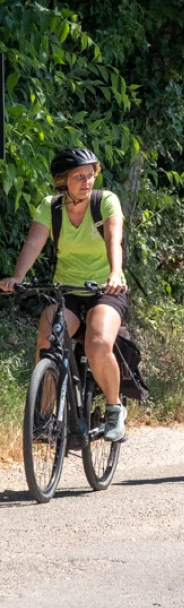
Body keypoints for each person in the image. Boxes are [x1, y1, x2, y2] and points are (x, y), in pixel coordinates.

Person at [0, 147, 129, 441]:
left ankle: (113, 408)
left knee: (97, 344)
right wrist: (18, 277)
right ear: (62, 181)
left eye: (91, 175)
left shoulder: (105, 201)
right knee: (47, 340)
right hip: (66, 289)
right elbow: (34, 242)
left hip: (104, 288)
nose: (87, 182)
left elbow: (114, 238)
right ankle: (45, 418)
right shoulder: (50, 207)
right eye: (79, 177)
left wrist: (114, 273)